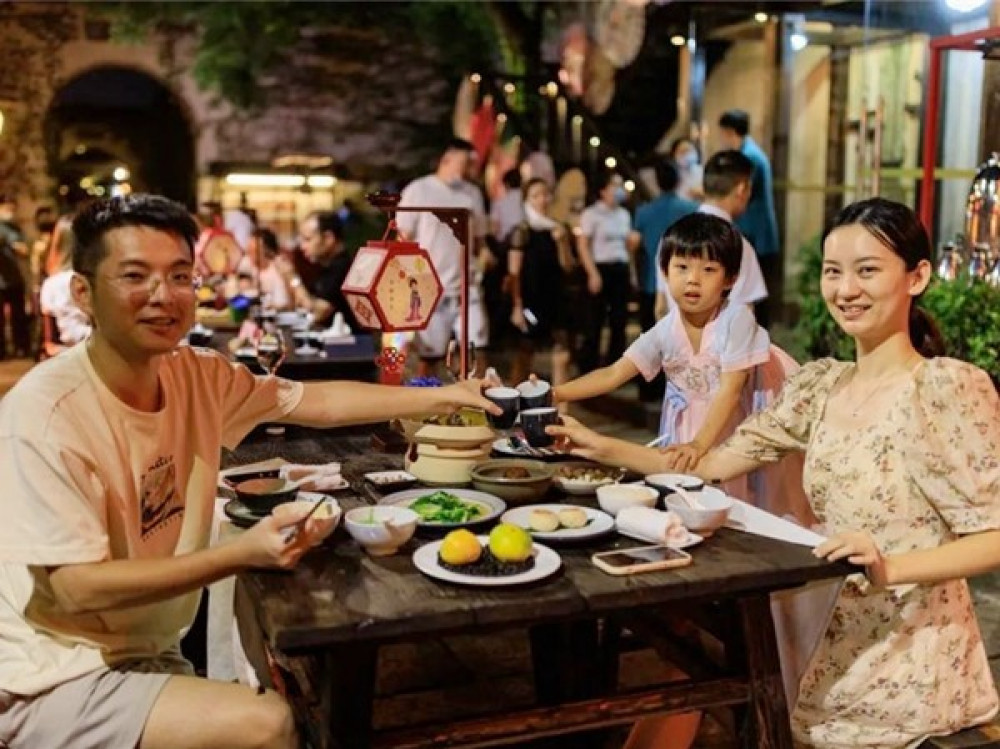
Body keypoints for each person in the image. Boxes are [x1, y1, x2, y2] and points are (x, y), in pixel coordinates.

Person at [0, 194, 500, 749]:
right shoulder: (44, 415)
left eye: (180, 276)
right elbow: (76, 590)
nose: (163, 296)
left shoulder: (194, 374)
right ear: (83, 292)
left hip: (145, 649)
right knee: (268, 723)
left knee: (285, 689)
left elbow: (316, 401)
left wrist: (444, 397)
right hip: (52, 674)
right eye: (135, 276)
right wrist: (240, 553)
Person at [550, 197, 1000, 749]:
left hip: (912, 672)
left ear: (918, 277)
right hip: (820, 650)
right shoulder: (822, 386)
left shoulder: (944, 389)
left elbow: (994, 537)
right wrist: (596, 444)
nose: (846, 289)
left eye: (867, 271)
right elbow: (704, 465)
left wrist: (891, 567)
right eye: (833, 272)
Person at [556, 212, 778, 501]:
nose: (693, 280)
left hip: (727, 426)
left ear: (730, 279)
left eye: (708, 270)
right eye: (682, 267)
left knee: (725, 497)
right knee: (682, 493)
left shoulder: (736, 320)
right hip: (683, 427)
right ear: (664, 271)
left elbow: (731, 391)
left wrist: (699, 444)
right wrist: (557, 392)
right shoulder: (666, 329)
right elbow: (614, 373)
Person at [657, 150, 768, 320]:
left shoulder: (673, 238)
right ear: (742, 189)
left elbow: (660, 307)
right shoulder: (738, 245)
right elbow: (745, 313)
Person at [629, 158, 698, 404]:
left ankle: (648, 390)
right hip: (685, 285)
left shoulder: (644, 212)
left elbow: (633, 245)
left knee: (650, 339)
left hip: (651, 281)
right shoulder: (690, 208)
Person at [507, 177, 576, 387]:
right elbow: (514, 272)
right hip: (531, 297)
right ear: (527, 200)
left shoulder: (559, 228)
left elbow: (568, 266)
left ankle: (561, 401)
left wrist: (562, 242)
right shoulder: (522, 230)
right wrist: (517, 305)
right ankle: (513, 397)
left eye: (545, 194)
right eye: (535, 196)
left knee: (562, 352)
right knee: (526, 351)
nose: (542, 200)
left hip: (555, 295)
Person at [718, 109, 781, 327]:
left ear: (729, 132)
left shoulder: (749, 157)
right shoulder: (751, 152)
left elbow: (741, 192)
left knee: (755, 295)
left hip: (756, 235)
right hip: (755, 233)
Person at [576, 170, 632, 374]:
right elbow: (583, 245)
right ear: (603, 190)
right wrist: (592, 273)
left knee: (619, 320)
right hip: (600, 267)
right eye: (614, 185)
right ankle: (588, 367)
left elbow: (627, 245)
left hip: (620, 268)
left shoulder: (624, 214)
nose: (619, 190)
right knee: (594, 320)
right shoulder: (592, 214)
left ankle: (615, 366)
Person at [296, 210, 361, 330]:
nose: (302, 247)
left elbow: (318, 313)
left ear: (328, 238)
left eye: (307, 239)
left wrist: (292, 279)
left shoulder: (342, 268)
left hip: (352, 340)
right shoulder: (328, 267)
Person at [0, 194, 31, 359]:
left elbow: (25, 250)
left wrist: (11, 245)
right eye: (7, 207)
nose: (11, 211)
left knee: (19, 316)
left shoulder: (15, 228)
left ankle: (22, 347)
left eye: (13, 207)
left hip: (14, 279)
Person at [669, 137, 704, 202]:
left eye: (689, 151)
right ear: (673, 155)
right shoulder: (671, 174)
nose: (687, 154)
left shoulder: (702, 171)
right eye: (682, 152)